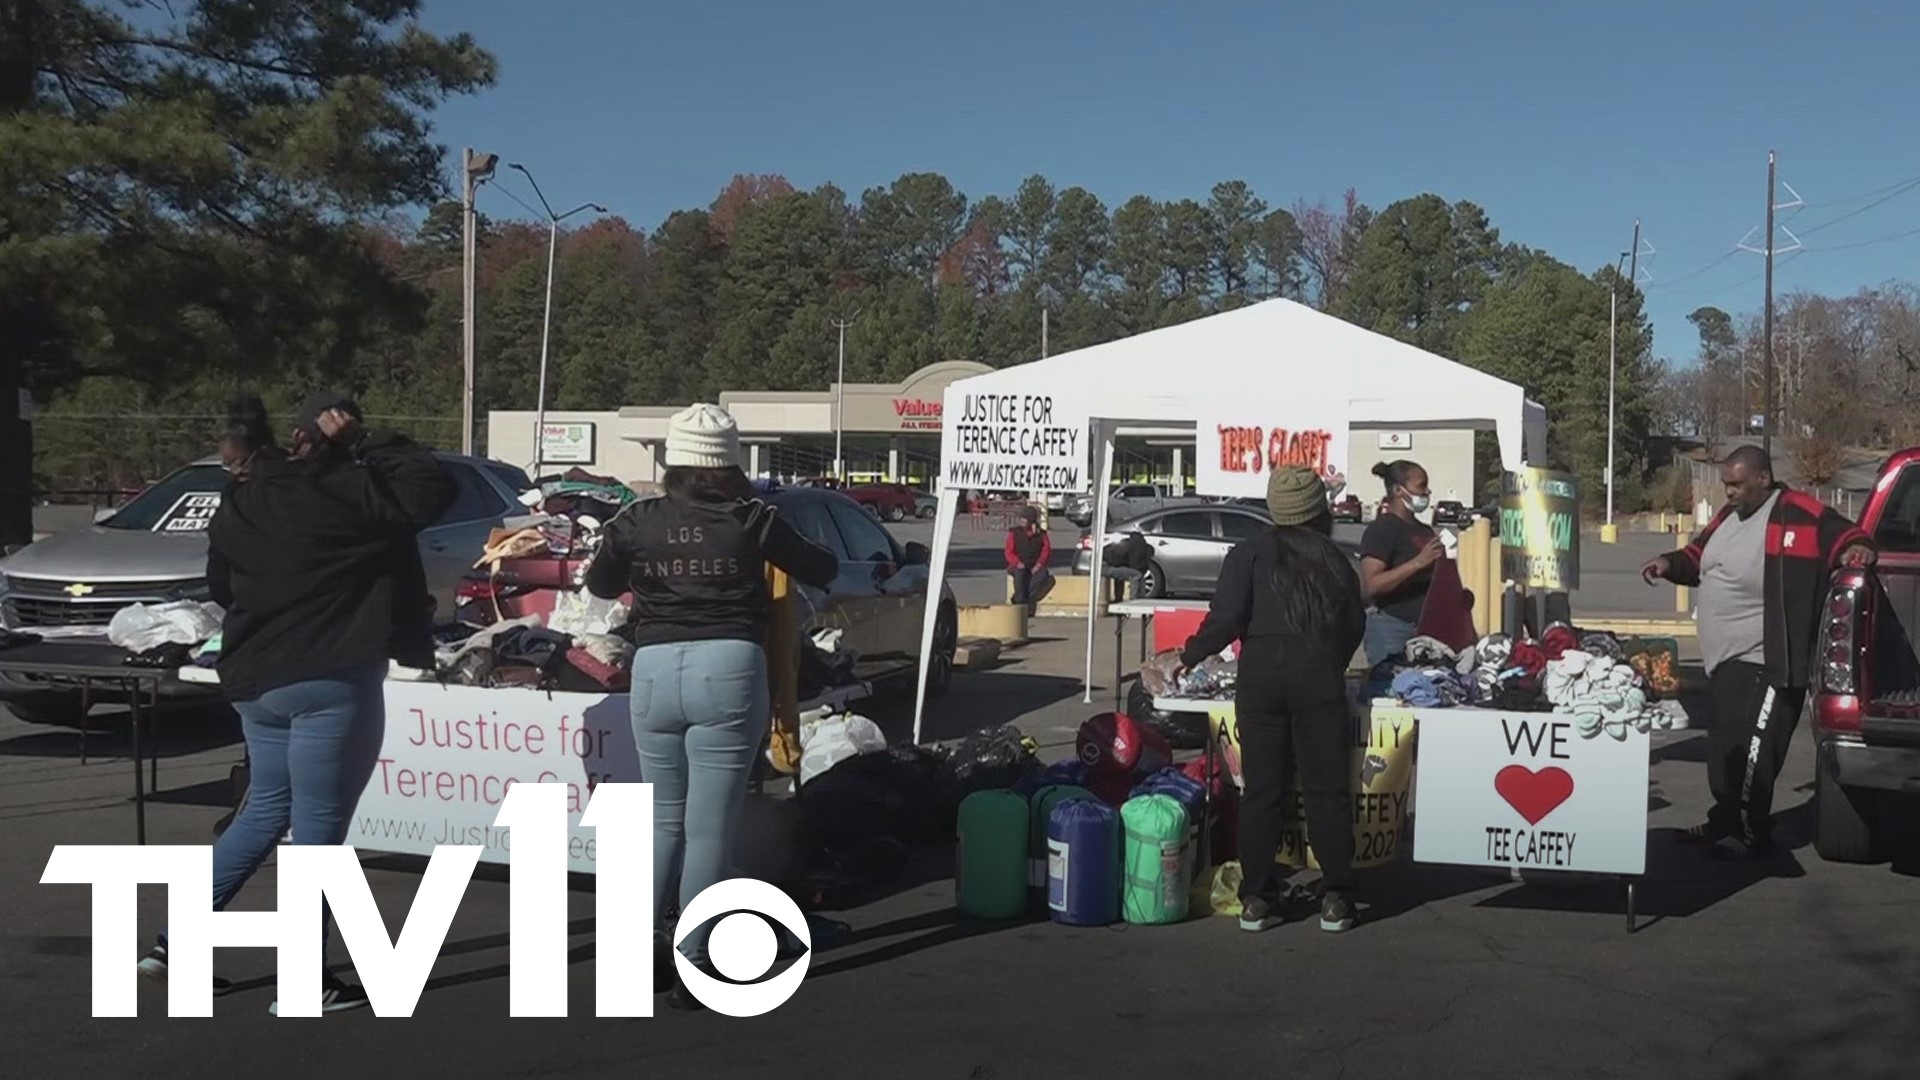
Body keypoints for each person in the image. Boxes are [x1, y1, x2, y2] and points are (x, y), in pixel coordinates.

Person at [137, 392, 455, 1013]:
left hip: (257, 679)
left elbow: (222, 587)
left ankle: (174, 946)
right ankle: (307, 982)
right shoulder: (350, 495)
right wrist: (368, 443)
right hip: (329, 679)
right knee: (318, 836)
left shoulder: (241, 500)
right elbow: (429, 489)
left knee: (261, 816)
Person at [584, 403, 838, 1011]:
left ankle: (632, 953)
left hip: (652, 668)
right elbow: (822, 567)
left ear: (673, 459)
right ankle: (693, 965)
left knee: (661, 821)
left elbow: (597, 584)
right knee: (709, 828)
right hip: (728, 668)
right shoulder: (752, 519)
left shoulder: (635, 519)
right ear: (729, 463)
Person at [1642, 445, 1873, 857]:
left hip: (1769, 658)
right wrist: (1667, 563)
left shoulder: (1798, 512)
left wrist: (1857, 550)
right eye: (1727, 484)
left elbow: (1848, 535)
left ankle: (1750, 832)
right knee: (1724, 749)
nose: (1728, 492)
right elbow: (1699, 557)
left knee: (1754, 752)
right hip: (1726, 660)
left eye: (1736, 484)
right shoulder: (1728, 518)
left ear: (1762, 479)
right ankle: (1724, 822)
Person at [1177, 466, 1368, 933]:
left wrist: (1190, 655)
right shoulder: (1334, 558)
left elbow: (1225, 620)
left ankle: (1257, 899)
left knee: (1261, 790)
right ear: (1319, 510)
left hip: (1259, 676)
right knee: (1326, 790)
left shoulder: (1247, 554)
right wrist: (1330, 660)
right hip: (1317, 674)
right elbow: (1353, 623)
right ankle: (1337, 897)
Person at [1358, 459, 1445, 666]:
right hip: (1392, 628)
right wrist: (1417, 563)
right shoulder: (1383, 529)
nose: (1427, 492)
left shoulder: (1424, 530)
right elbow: (1372, 586)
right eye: (1421, 486)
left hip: (1427, 628)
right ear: (1399, 490)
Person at [1005, 505, 1052, 608]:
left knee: (1043, 575)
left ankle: (1024, 597)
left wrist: (1039, 565)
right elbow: (1009, 552)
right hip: (1018, 564)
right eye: (1021, 518)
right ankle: (1020, 601)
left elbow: (1046, 551)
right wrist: (1017, 562)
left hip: (1034, 564)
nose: (1022, 521)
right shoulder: (1014, 533)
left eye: (1025, 519)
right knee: (1020, 573)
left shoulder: (1041, 534)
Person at [1103, 528, 1154, 603]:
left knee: (1123, 574)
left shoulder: (1132, 543)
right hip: (1104, 566)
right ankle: (1134, 601)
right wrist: (1144, 569)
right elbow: (1135, 565)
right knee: (1137, 575)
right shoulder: (1138, 546)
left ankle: (1119, 599)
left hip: (1105, 564)